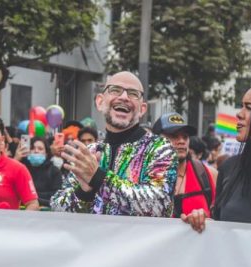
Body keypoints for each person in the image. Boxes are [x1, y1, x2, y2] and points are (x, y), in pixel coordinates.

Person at [51, 71, 177, 216]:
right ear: (100, 102)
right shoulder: (88, 154)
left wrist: (98, 178)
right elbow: (58, 211)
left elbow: (158, 205)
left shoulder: (159, 149)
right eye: (115, 90)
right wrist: (84, 192)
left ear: (142, 109)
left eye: (133, 93)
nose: (123, 97)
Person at [187, 70, 251, 233]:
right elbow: (219, 226)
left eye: (249, 107)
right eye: (241, 106)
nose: (239, 114)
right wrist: (200, 221)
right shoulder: (229, 167)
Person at [152, 113, 217, 226]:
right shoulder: (143, 178)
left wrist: (210, 223)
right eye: (173, 136)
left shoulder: (208, 174)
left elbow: (223, 221)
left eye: (185, 137)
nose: (181, 141)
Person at [22, 137, 62, 207]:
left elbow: (56, 195)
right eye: (32, 148)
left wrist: (32, 196)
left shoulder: (54, 171)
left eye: (40, 149)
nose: (36, 151)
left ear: (46, 153)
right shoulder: (22, 169)